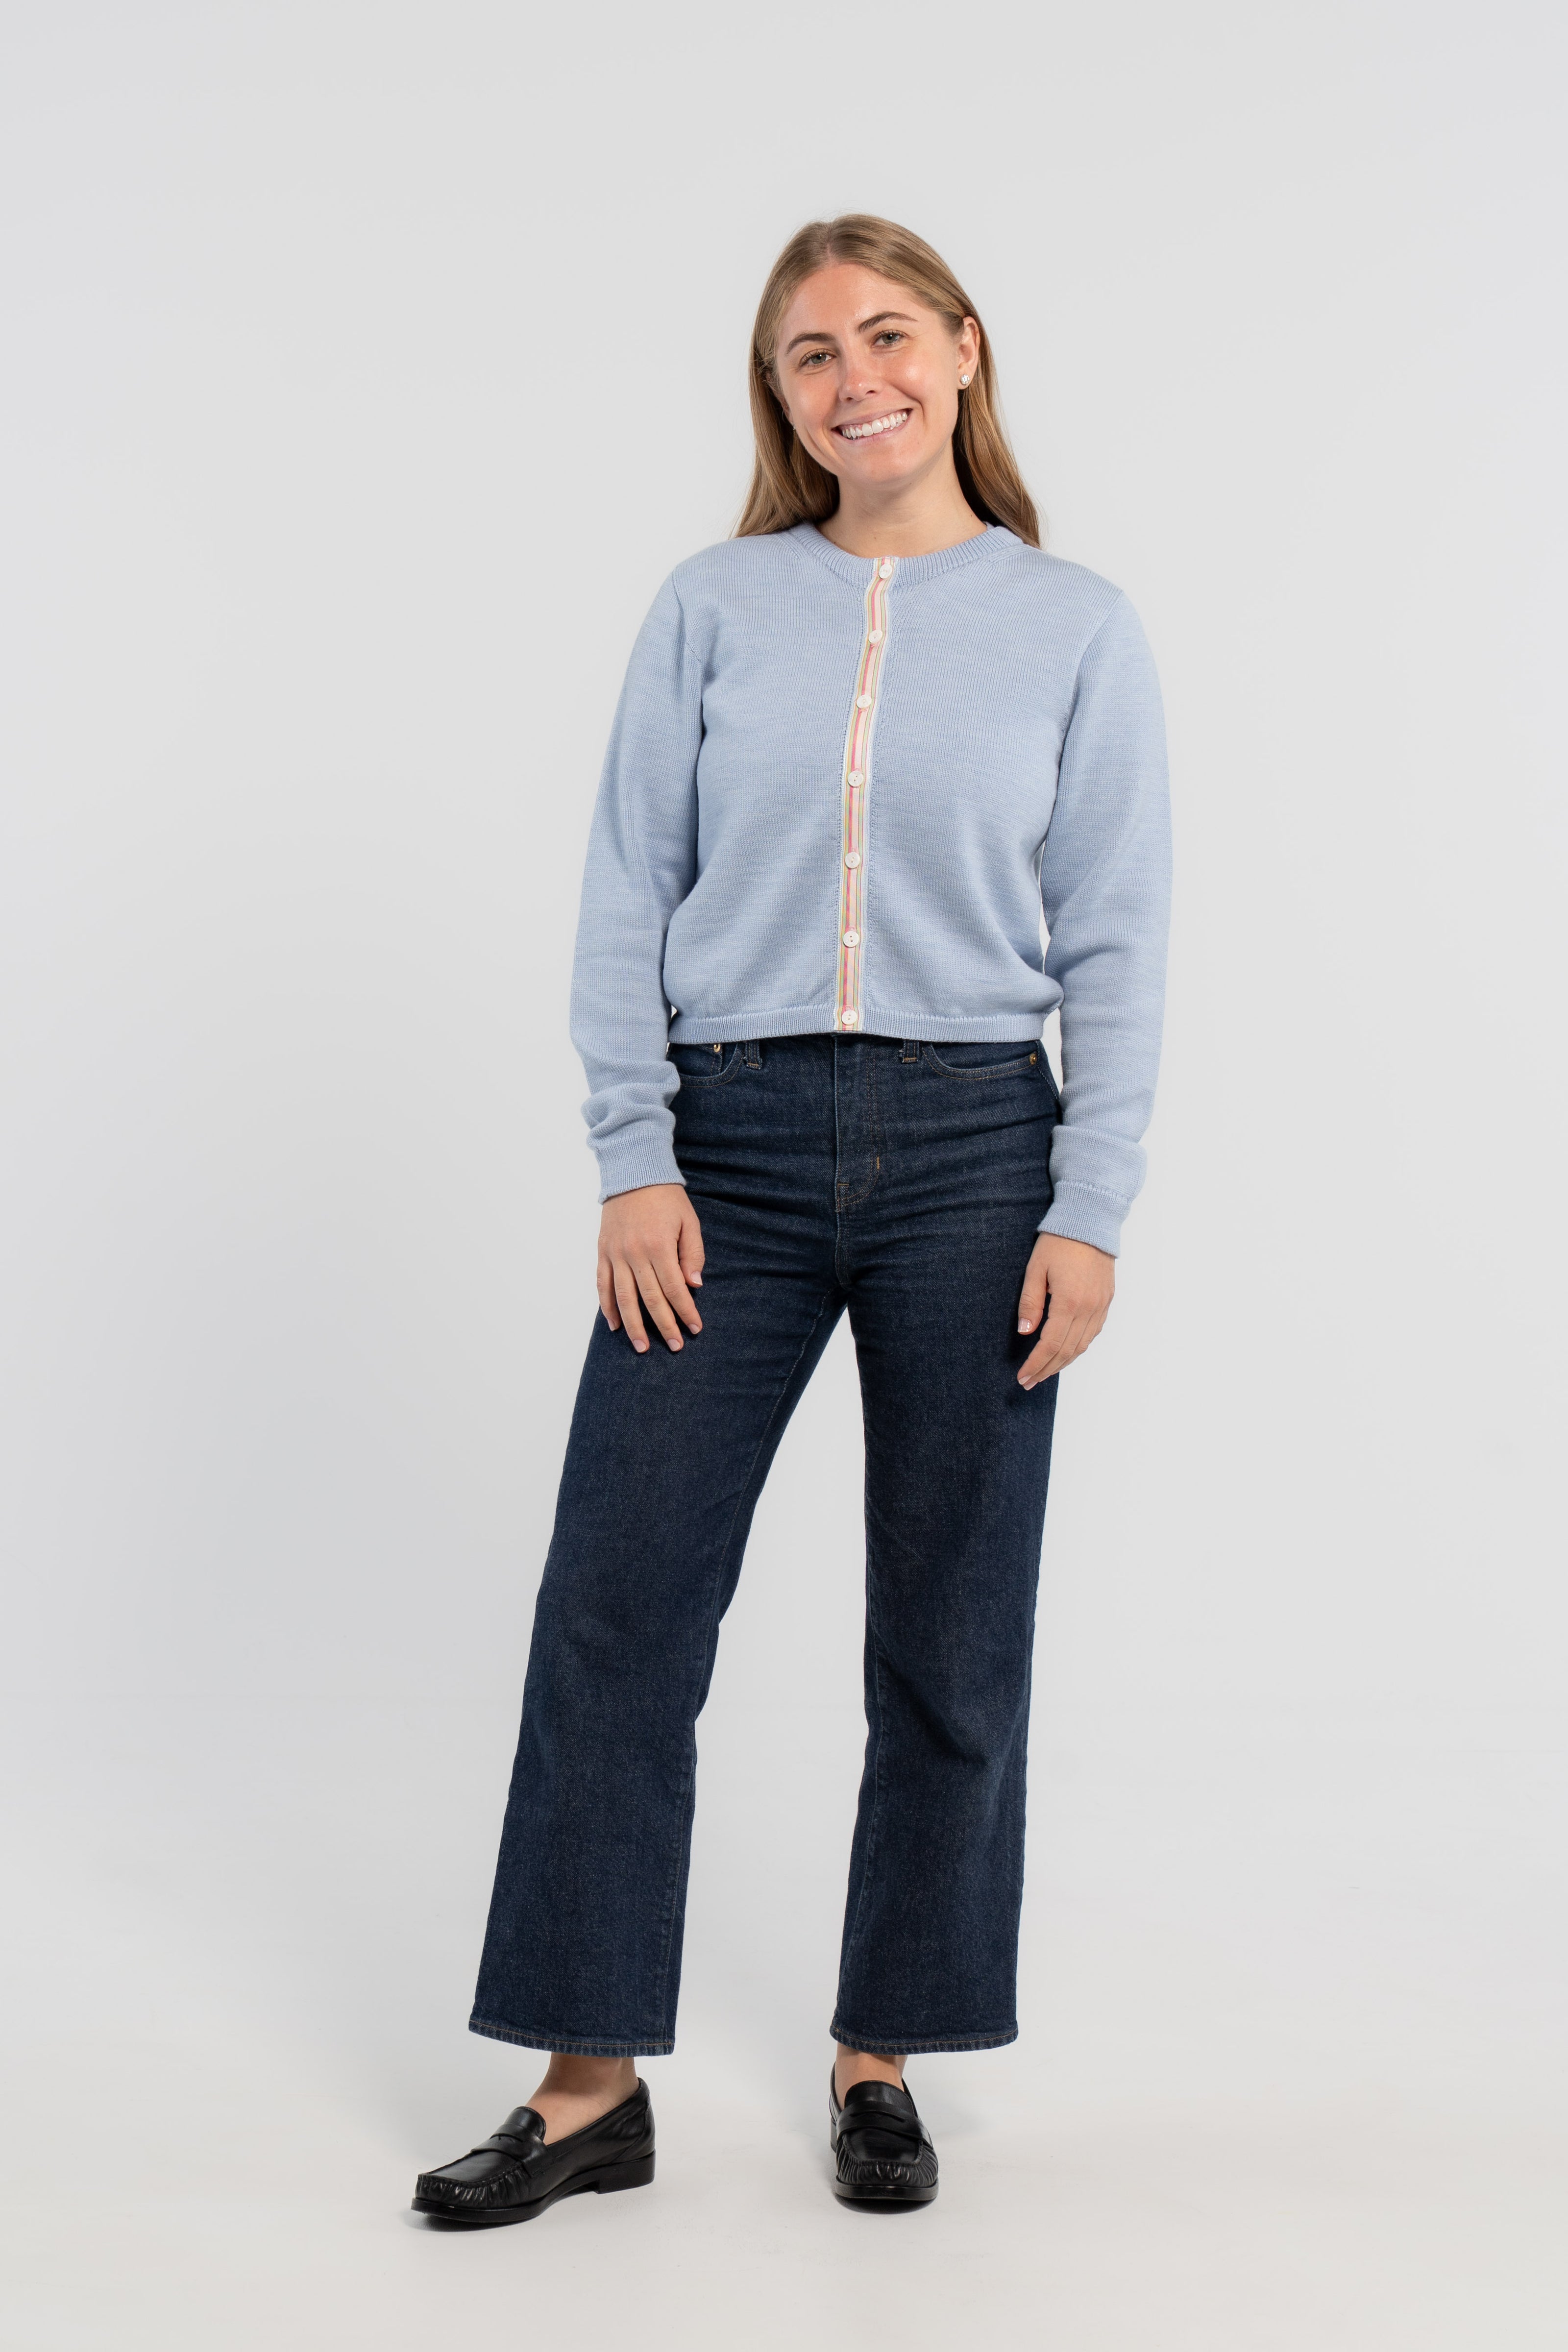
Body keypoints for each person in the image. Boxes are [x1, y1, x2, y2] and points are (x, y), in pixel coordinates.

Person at [413, 213, 1170, 2225]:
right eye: (807, 354)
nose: (853, 378)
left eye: (885, 333)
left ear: (962, 352)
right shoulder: (713, 606)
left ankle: (876, 2061)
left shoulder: (1075, 623)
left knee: (946, 1639)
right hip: (725, 1150)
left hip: (972, 1155)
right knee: (617, 1610)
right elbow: (617, 895)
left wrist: (1085, 1201)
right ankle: (589, 2090)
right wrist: (632, 1156)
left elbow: (1114, 936)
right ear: (780, 400)